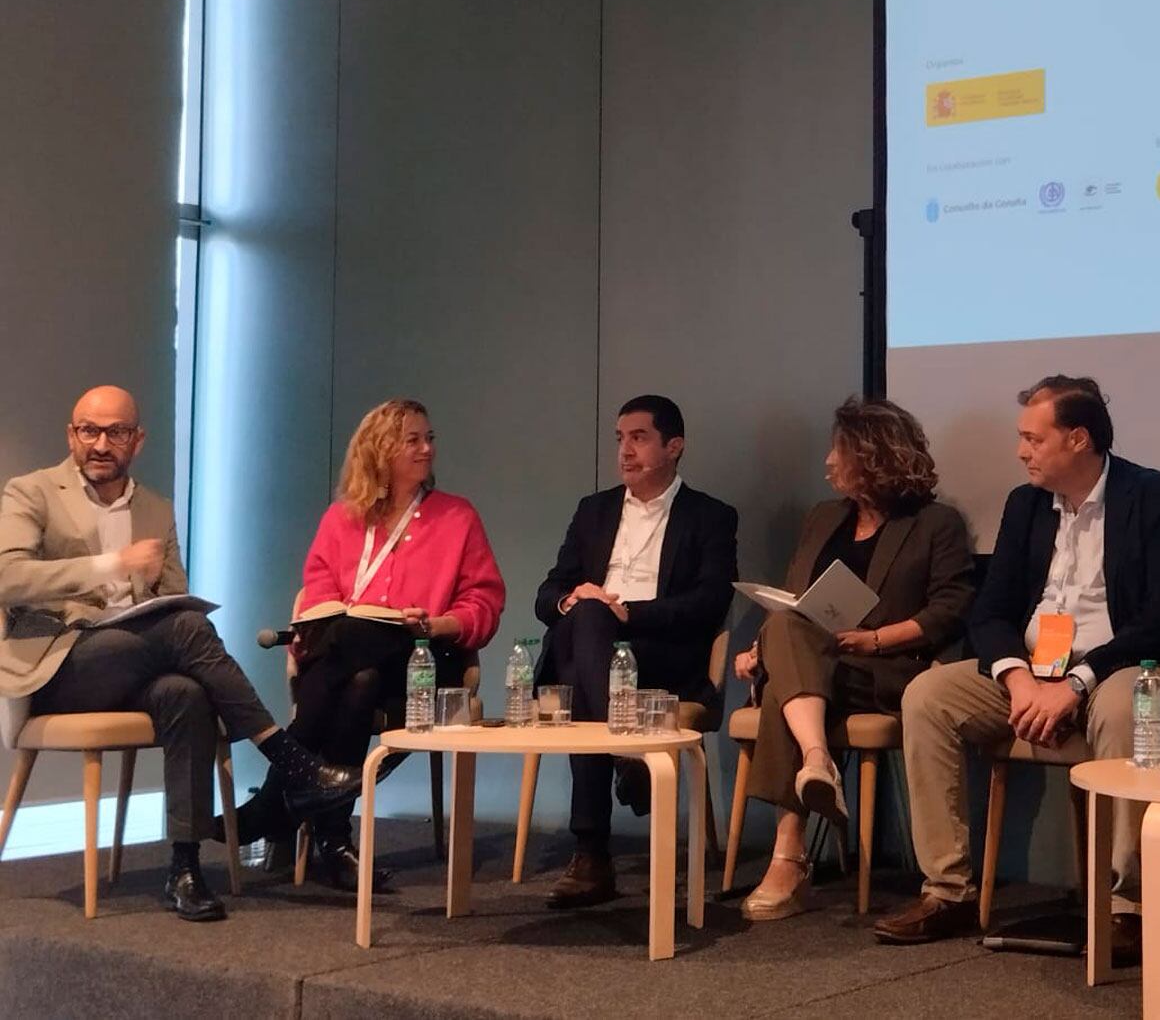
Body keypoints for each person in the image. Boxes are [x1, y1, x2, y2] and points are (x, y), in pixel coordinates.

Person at [873, 375, 1160, 953]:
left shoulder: (1155, 498)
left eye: (1033, 439)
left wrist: (1077, 683)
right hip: (1037, 669)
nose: (1021, 451)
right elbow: (992, 609)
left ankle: (1127, 906)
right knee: (928, 696)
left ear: (1078, 439)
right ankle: (947, 893)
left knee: (1131, 701)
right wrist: (1019, 676)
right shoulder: (1026, 505)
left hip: (1125, 664)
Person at [0, 386, 361, 922]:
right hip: (61, 666)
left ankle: (184, 866)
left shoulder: (155, 508)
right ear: (71, 435)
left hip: (138, 659)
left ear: (137, 441)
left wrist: (153, 598)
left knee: (186, 692)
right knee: (187, 629)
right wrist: (111, 564)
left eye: (116, 432)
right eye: (88, 431)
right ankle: (289, 763)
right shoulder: (31, 492)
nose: (101, 444)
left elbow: (171, 596)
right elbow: (8, 577)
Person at [230, 399, 506, 889]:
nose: (427, 449)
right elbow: (317, 595)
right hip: (356, 668)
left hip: (424, 659)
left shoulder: (457, 516)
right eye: (413, 440)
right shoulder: (341, 519)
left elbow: (484, 602)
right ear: (379, 452)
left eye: (429, 437)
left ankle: (276, 798)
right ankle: (335, 841)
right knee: (360, 675)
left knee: (354, 648)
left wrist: (437, 624)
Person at [733, 397, 975, 921]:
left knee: (784, 689)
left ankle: (788, 855)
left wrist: (879, 639)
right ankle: (817, 761)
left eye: (837, 450)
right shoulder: (824, 518)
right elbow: (795, 600)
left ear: (871, 455)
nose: (827, 462)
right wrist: (759, 647)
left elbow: (951, 609)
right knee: (786, 641)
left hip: (886, 667)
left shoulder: (937, 523)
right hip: (817, 661)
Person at [532, 395, 737, 909]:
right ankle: (627, 753)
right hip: (588, 644)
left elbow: (711, 602)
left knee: (587, 650)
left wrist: (630, 614)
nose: (625, 450)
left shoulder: (710, 516)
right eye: (620, 438)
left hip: (659, 653)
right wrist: (575, 600)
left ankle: (591, 854)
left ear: (675, 446)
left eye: (639, 437)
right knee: (585, 618)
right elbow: (546, 594)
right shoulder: (593, 510)